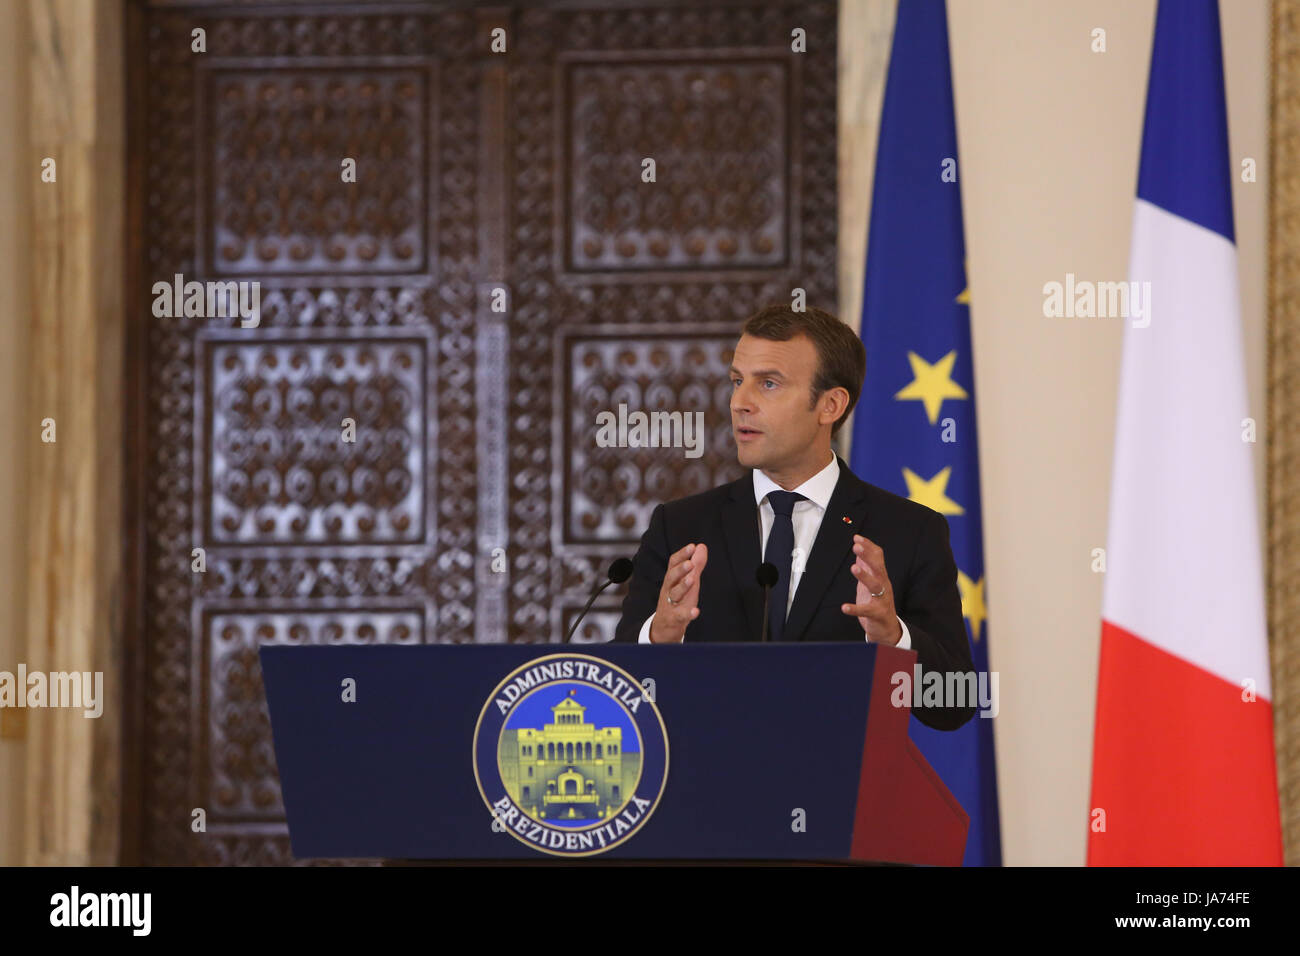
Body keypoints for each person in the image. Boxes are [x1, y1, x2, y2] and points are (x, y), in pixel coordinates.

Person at [611, 304, 976, 731]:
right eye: (736, 381)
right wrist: (659, 636)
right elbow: (618, 691)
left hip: (843, 791)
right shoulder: (681, 527)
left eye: (768, 383)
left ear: (830, 405)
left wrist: (894, 638)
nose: (739, 403)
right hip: (708, 788)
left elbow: (956, 702)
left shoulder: (908, 531)